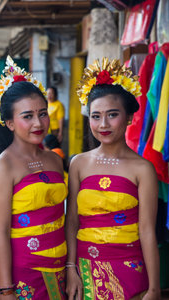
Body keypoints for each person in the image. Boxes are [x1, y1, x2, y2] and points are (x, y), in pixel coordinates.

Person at [66, 58, 160, 299]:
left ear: (129, 117)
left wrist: (154, 288)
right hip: (86, 271)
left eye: (112, 114)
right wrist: (71, 269)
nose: (103, 124)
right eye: (96, 116)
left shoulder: (143, 169)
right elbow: (72, 222)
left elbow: (147, 230)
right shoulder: (78, 163)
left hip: (130, 271)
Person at [0, 56, 67, 299]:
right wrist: (6, 288)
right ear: (9, 123)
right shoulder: (2, 168)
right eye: (27, 116)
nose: (38, 123)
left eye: (42, 114)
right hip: (25, 273)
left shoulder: (54, 159)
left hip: (61, 268)